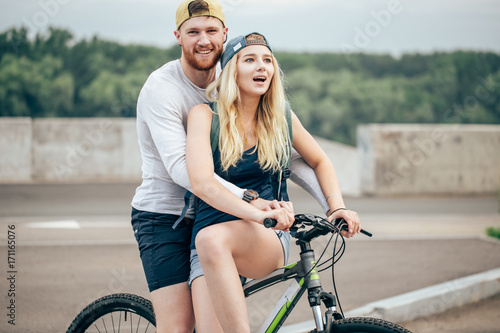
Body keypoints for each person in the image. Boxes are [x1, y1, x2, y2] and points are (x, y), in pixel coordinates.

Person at [131, 1, 342, 332]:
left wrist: (335, 206)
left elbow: (293, 160)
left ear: (224, 34)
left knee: (214, 292)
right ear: (178, 36)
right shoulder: (165, 90)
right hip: (166, 215)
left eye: (212, 31)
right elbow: (184, 172)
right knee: (177, 327)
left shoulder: (243, 86)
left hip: (226, 220)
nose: (204, 40)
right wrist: (252, 202)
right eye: (194, 32)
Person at [185, 33, 361, 333]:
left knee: (210, 239)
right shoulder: (203, 116)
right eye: (250, 60)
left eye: (268, 61)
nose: (262, 67)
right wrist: (257, 211)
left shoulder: (281, 117)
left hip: (264, 235)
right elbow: (202, 184)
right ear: (230, 71)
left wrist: (336, 207)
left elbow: (319, 161)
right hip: (215, 235)